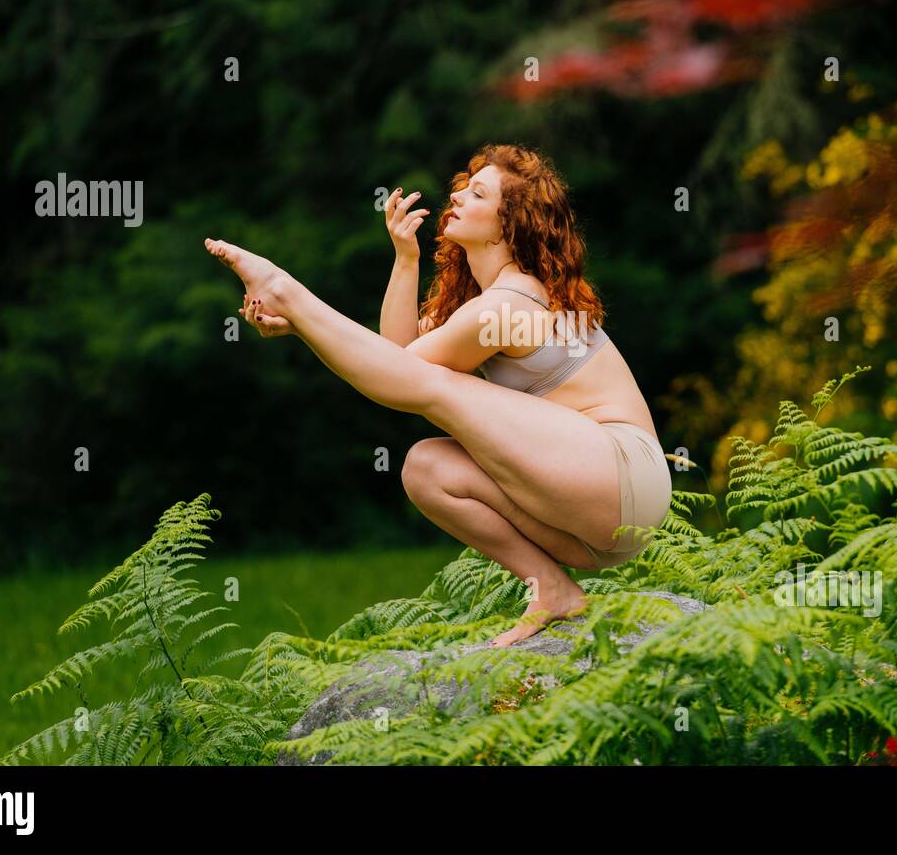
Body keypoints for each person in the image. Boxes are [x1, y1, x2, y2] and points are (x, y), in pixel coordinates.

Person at [205, 143, 672, 647]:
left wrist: (294, 304)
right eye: (462, 186)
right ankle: (552, 589)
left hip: (623, 475)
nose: (457, 195)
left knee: (443, 389)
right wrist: (405, 261)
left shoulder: (508, 306)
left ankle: (282, 284)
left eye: (476, 192)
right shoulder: (483, 304)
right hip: (590, 515)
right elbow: (395, 360)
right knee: (426, 468)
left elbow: (401, 376)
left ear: (508, 223)